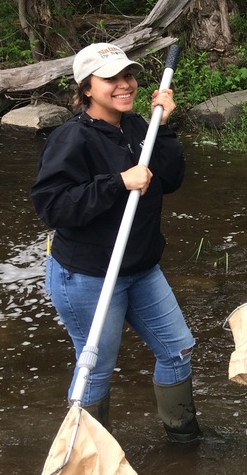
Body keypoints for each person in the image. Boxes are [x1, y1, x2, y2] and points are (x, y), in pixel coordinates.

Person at [31, 42, 213, 444]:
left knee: (178, 350)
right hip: (88, 276)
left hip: (141, 268)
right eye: (110, 78)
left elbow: (173, 177)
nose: (124, 85)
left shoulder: (136, 127)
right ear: (86, 88)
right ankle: (92, 462)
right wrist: (117, 183)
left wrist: (162, 126)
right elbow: (52, 207)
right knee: (95, 367)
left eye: (127, 76)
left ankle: (183, 440)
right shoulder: (70, 139)